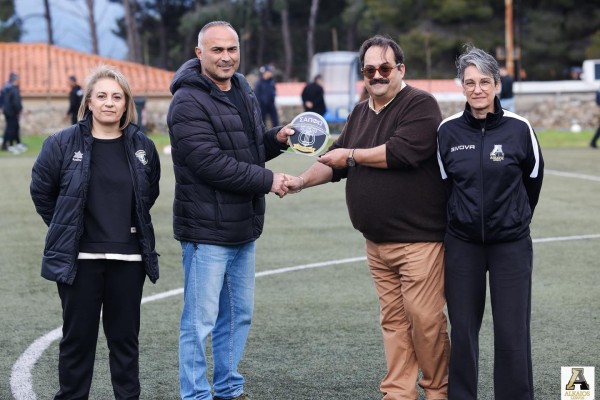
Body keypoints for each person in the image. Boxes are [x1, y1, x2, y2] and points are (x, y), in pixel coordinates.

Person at [286, 35, 449, 400]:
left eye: (385, 68)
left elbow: (401, 152)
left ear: (400, 69)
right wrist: (300, 182)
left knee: (424, 321)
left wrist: (351, 155)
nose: (377, 75)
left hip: (419, 241)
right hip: (376, 243)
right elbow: (333, 160)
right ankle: (399, 393)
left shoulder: (420, 104)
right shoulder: (360, 112)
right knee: (393, 321)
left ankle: (438, 391)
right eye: (369, 69)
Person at [166, 21, 293, 400]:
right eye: (217, 50)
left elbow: (248, 149)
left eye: (232, 49)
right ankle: (195, 395)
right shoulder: (186, 101)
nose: (226, 57)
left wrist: (277, 139)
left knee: (238, 316)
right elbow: (210, 163)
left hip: (243, 226)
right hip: (205, 231)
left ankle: (228, 388)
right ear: (199, 53)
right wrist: (268, 180)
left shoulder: (242, 88)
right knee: (199, 322)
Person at [30, 65, 161, 400]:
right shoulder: (61, 144)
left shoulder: (143, 146)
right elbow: (42, 192)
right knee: (78, 341)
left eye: (117, 97)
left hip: (129, 260)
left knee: (125, 342)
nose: (109, 103)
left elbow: (149, 194)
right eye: (101, 96)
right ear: (88, 101)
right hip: (80, 261)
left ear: (126, 103)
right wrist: (70, 228)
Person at [436, 45, 544, 400]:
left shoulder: (519, 129)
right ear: (461, 86)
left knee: (512, 331)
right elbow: (444, 187)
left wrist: (512, 219)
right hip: (463, 244)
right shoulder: (447, 132)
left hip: (510, 245)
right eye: (470, 82)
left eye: (485, 81)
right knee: (463, 331)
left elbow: (533, 180)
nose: (477, 89)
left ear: (497, 84)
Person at [1, 72, 25, 153]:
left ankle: (14, 144)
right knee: (11, 129)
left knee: (13, 128)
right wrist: (19, 110)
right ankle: (5, 145)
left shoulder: (6, 88)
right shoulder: (14, 89)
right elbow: (16, 102)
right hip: (12, 112)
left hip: (7, 112)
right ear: (15, 80)